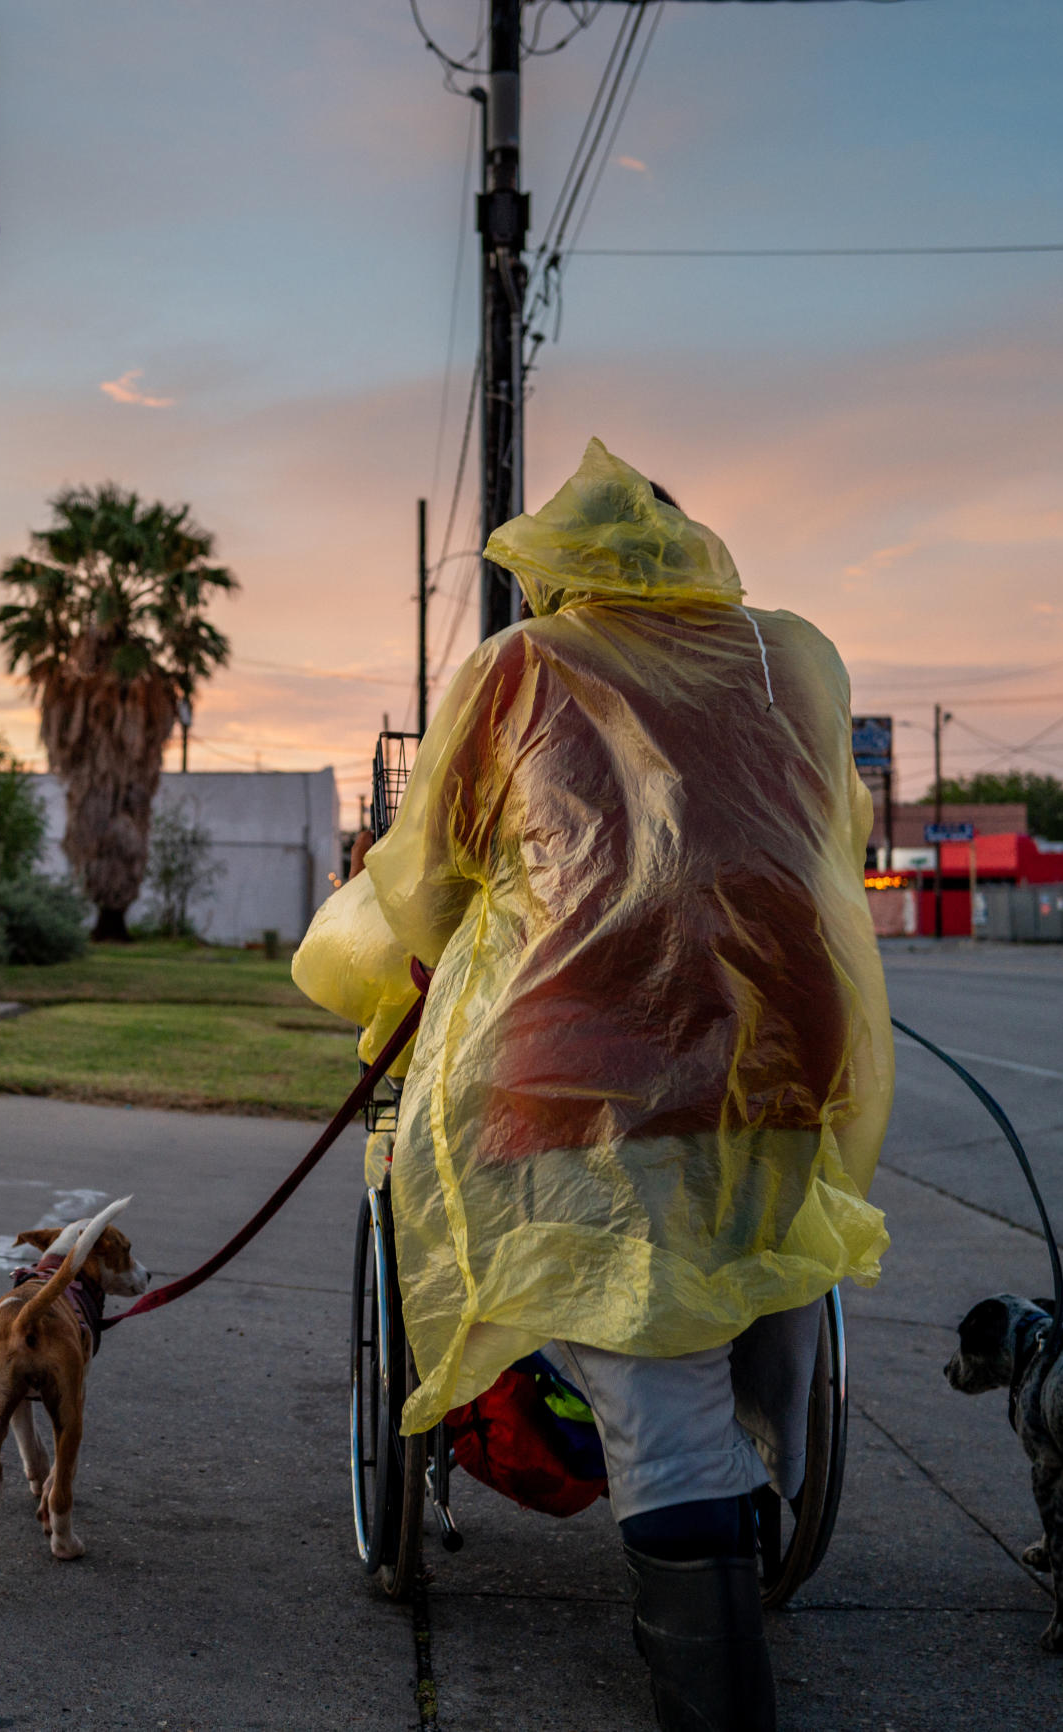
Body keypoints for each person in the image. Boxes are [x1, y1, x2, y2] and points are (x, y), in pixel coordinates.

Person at [295, 441, 893, 1732]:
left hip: (585, 1089)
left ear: (567, 575)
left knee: (659, 1403)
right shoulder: (787, 662)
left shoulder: (523, 671)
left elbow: (434, 882)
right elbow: (828, 843)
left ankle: (708, 1638)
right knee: (769, 1279)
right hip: (786, 1075)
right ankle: (755, 1472)